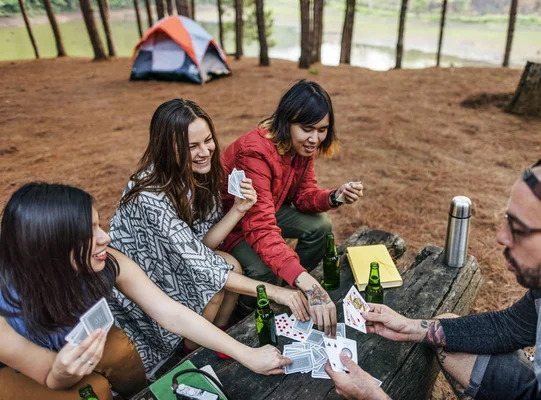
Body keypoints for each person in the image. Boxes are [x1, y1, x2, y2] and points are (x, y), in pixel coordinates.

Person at [326, 153, 541, 399]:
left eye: (519, 228)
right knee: (444, 327)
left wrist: (370, 395)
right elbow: (510, 327)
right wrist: (409, 327)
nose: (501, 237)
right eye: (507, 219)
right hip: (538, 384)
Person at [0, 183, 291, 400]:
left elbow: (171, 313)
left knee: (118, 352)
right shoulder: (5, 315)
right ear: (50, 248)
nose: (106, 237)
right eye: (88, 233)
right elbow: (51, 377)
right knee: (96, 389)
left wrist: (246, 353)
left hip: (71, 341)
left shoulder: (105, 260)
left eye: (98, 224)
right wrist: (62, 373)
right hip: (24, 369)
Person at [109, 99, 308, 375]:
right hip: (144, 278)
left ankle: (218, 335)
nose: (205, 152)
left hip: (179, 261)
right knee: (212, 284)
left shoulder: (199, 175)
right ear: (168, 148)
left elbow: (203, 245)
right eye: (192, 147)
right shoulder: (148, 196)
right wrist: (275, 291)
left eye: (207, 140)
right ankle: (189, 352)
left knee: (231, 264)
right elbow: (200, 265)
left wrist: (239, 208)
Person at [220, 80, 364, 335]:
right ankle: (246, 318)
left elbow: (304, 194)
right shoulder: (255, 152)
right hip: (232, 223)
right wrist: (311, 285)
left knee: (320, 225)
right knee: (262, 268)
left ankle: (296, 289)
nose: (315, 139)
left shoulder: (300, 146)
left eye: (322, 130)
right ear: (286, 121)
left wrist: (334, 197)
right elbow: (260, 228)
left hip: (266, 209)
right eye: (307, 129)